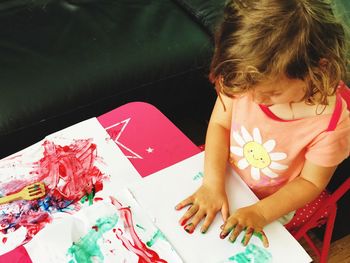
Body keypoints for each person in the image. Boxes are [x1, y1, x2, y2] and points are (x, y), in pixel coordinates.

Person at [175, 0, 350, 248]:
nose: (255, 99)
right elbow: (220, 126)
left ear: (316, 70)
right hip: (221, 170)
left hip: (276, 199)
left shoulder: (332, 125)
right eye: (248, 90)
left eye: (271, 94)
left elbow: (310, 182)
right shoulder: (244, 76)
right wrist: (213, 184)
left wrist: (260, 213)